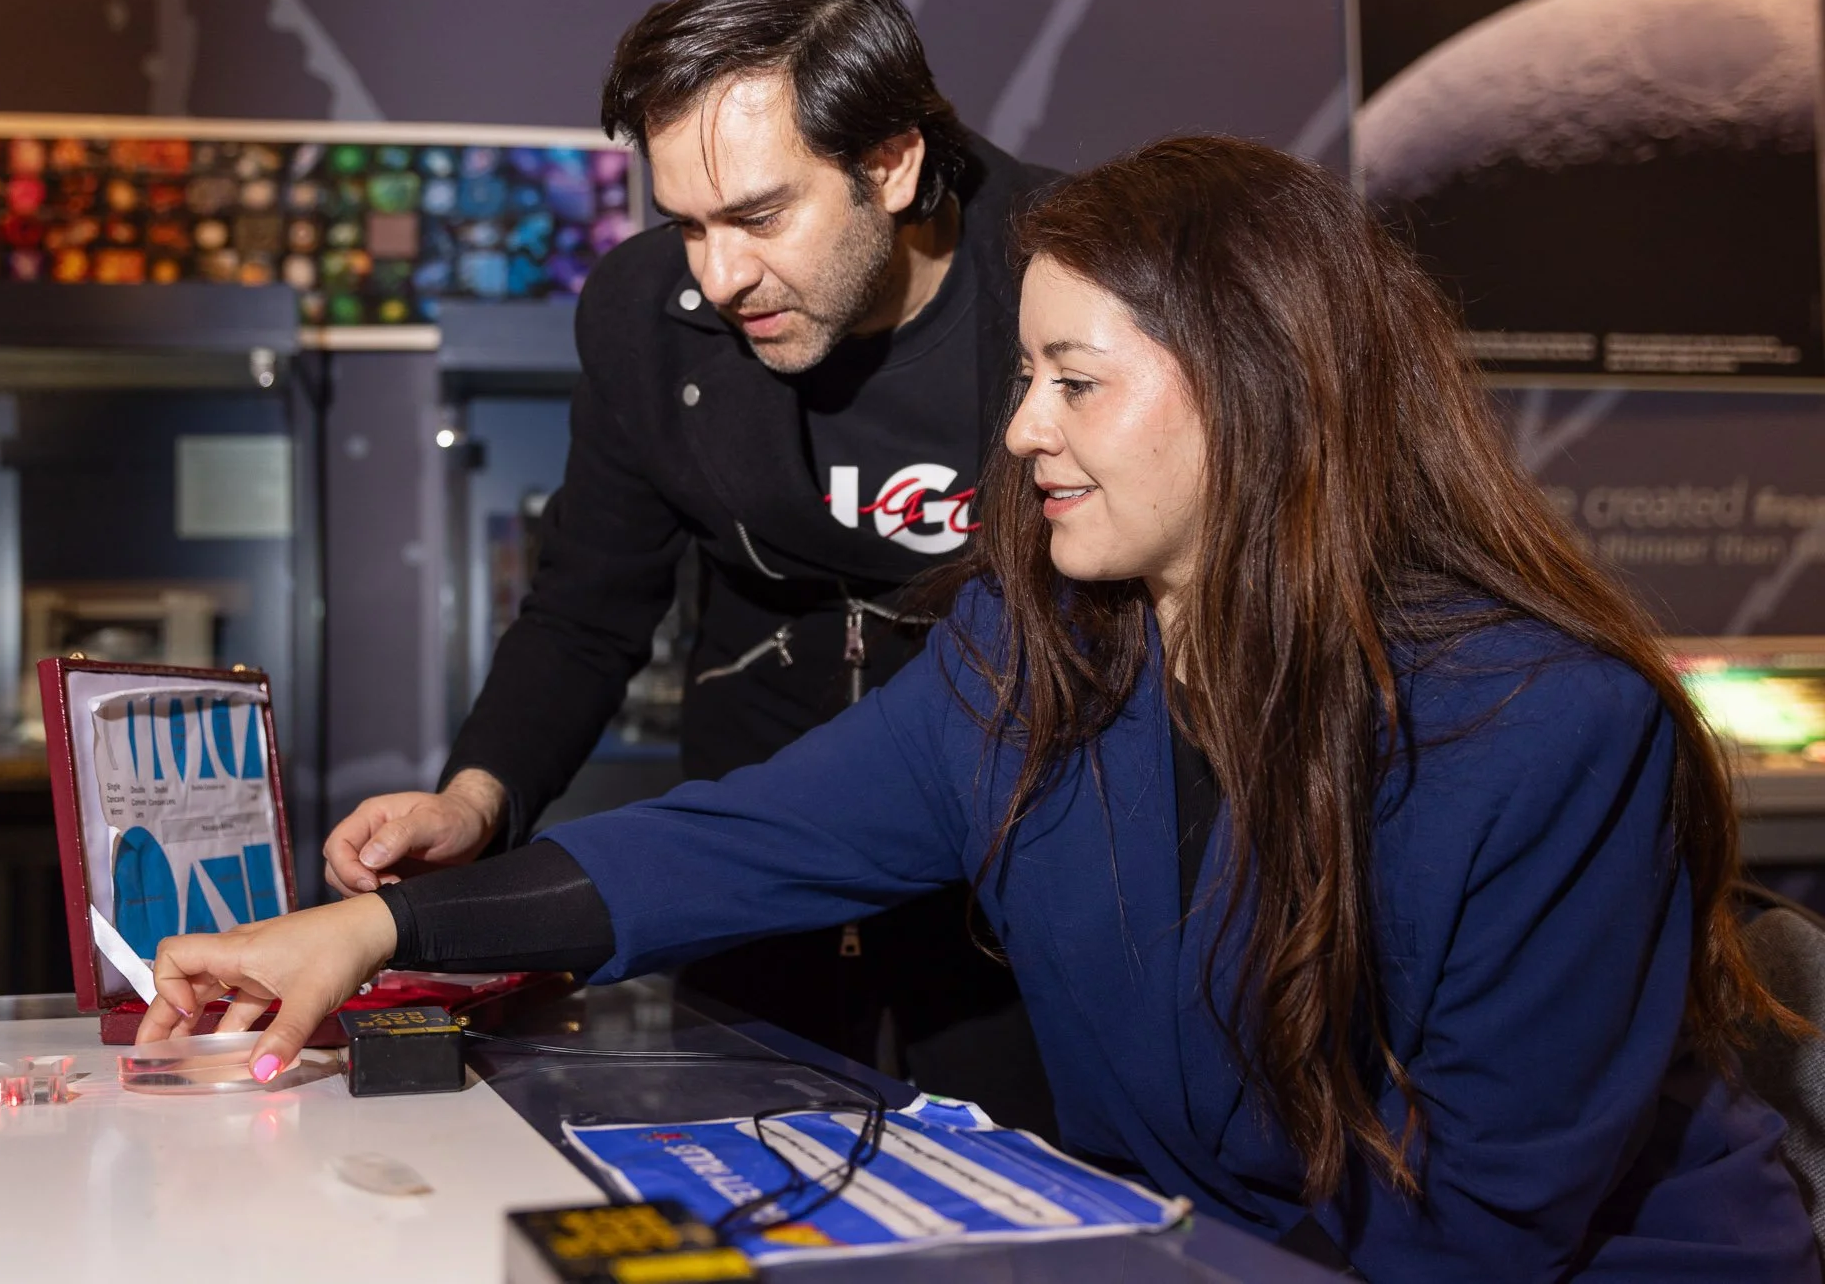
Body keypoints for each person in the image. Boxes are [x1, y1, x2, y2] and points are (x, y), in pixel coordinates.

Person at [143, 137, 1818, 1278]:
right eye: (1021, 376)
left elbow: (1477, 1236)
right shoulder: (1030, 660)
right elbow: (732, 841)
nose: (1017, 431)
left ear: (1265, 387)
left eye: (1070, 379)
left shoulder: (1546, 731)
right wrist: (370, 935)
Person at [320, 0, 1059, 1123]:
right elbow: (586, 603)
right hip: (748, 865)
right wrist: (473, 799)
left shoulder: (1068, 278)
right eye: (688, 226)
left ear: (893, 161)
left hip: (1018, 869)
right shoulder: (644, 320)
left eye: (758, 216)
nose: (718, 276)